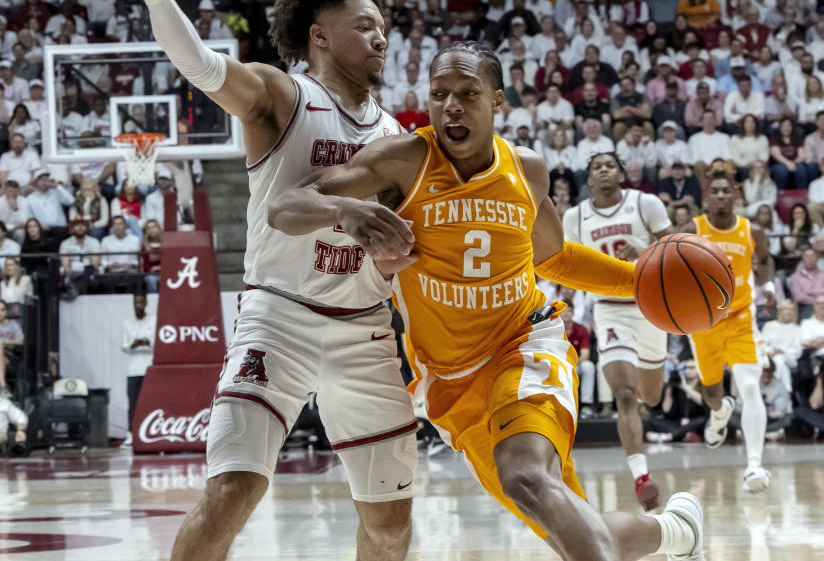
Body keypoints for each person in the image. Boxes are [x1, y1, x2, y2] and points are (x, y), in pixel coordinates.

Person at [269, 41, 705, 560]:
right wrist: (345, 209)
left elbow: (554, 259)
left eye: (468, 94)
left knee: (524, 476)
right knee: (574, 530)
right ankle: (679, 530)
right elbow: (284, 206)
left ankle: (675, 530)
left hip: (524, 346)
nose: (451, 106)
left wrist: (639, 282)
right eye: (439, 94)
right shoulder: (403, 162)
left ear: (497, 101)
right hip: (451, 384)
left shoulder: (526, 171)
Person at [78, 0, 419, 560]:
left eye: (384, 27)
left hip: (364, 326)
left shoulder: (396, 136)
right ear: (319, 35)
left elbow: (392, 246)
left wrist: (393, 255)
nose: (381, 38)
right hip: (278, 319)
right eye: (365, 25)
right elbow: (206, 69)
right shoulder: (282, 95)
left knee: (391, 524)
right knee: (232, 492)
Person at [562, 151, 673, 510]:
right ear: (589, 178)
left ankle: (645, 406)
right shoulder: (575, 216)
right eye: (597, 167)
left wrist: (643, 251)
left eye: (611, 165)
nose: (604, 170)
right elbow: (567, 263)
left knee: (651, 397)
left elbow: (674, 252)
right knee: (625, 395)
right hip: (610, 311)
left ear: (622, 174)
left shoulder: (646, 204)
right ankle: (642, 477)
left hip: (651, 306)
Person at [680, 173, 774, 492]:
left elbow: (764, 260)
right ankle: (719, 415)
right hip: (703, 322)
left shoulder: (752, 230)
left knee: (749, 387)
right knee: (712, 393)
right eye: (715, 191)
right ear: (706, 198)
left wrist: (770, 287)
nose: (721, 196)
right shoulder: (693, 229)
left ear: (736, 196)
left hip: (740, 320)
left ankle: (754, 466)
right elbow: (671, 262)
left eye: (727, 191)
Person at [121, 292, 155, 447]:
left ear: (146, 303)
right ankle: (130, 434)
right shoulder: (127, 323)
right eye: (136, 303)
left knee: (150, 403)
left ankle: (149, 433)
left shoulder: (153, 320)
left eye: (141, 302)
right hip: (133, 369)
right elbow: (124, 345)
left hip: (148, 367)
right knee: (133, 404)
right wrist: (133, 344)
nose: (138, 306)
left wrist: (145, 342)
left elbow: (156, 342)